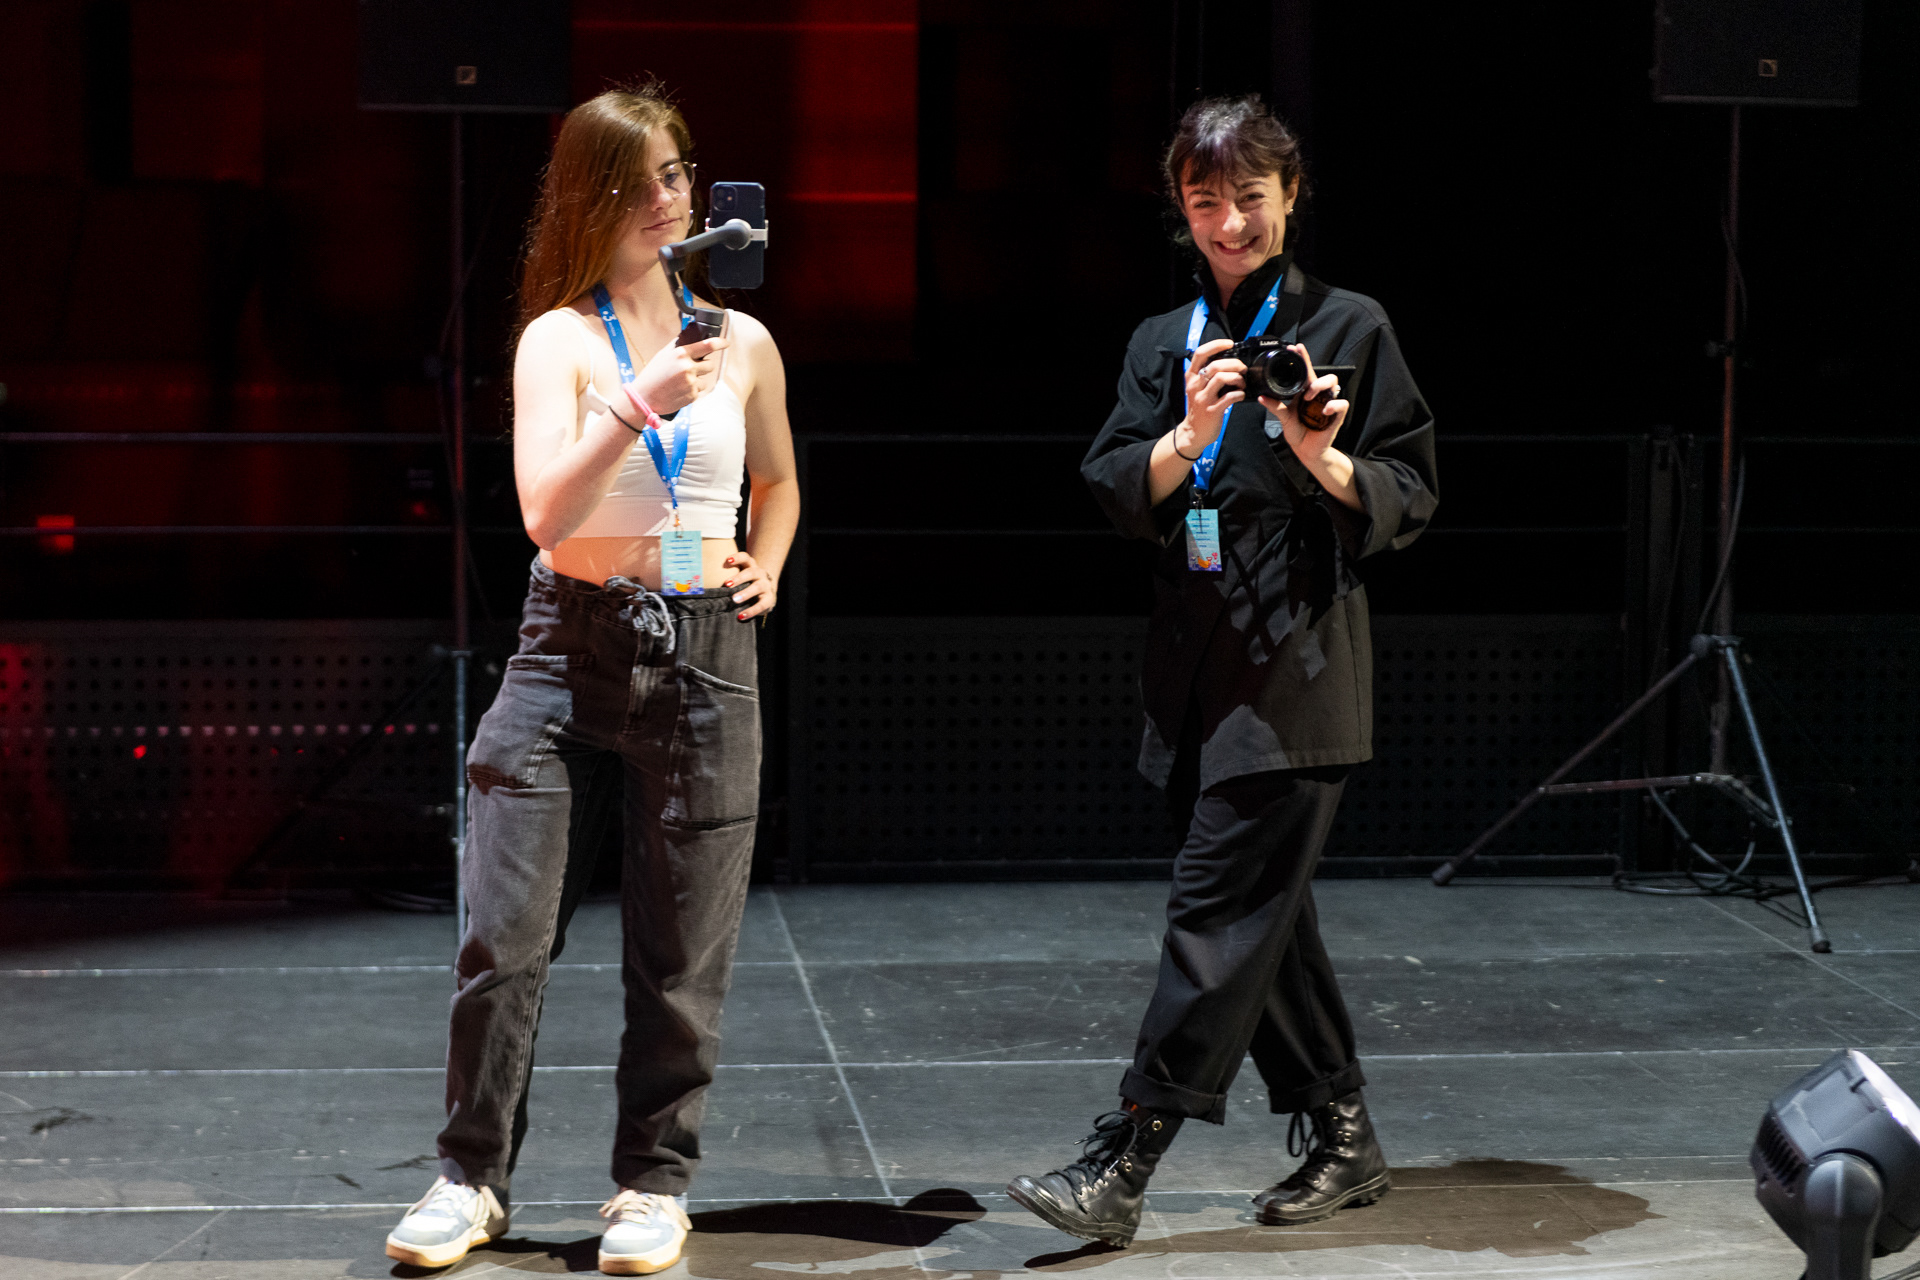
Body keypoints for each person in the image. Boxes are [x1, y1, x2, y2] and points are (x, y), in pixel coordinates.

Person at [1007, 95, 1438, 1248]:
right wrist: (1186, 438)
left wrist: (1320, 456)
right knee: (1265, 921)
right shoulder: (1167, 340)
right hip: (1192, 673)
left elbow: (1409, 490)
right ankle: (1344, 1133)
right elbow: (1112, 480)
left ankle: (1125, 1155)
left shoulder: (1349, 325)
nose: (1231, 221)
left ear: (1291, 194)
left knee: (1217, 912)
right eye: (1207, 201)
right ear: (1181, 209)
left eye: (1251, 195)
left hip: (1300, 672)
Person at [384, 85, 798, 1275]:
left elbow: (778, 482)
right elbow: (544, 513)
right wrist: (638, 400)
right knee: (503, 937)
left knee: (682, 951)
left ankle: (652, 1183)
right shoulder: (559, 340)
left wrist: (765, 566)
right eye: (634, 180)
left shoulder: (743, 341)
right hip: (568, 645)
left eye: (675, 173)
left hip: (705, 648)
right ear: (587, 197)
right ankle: (470, 1173)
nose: (664, 198)